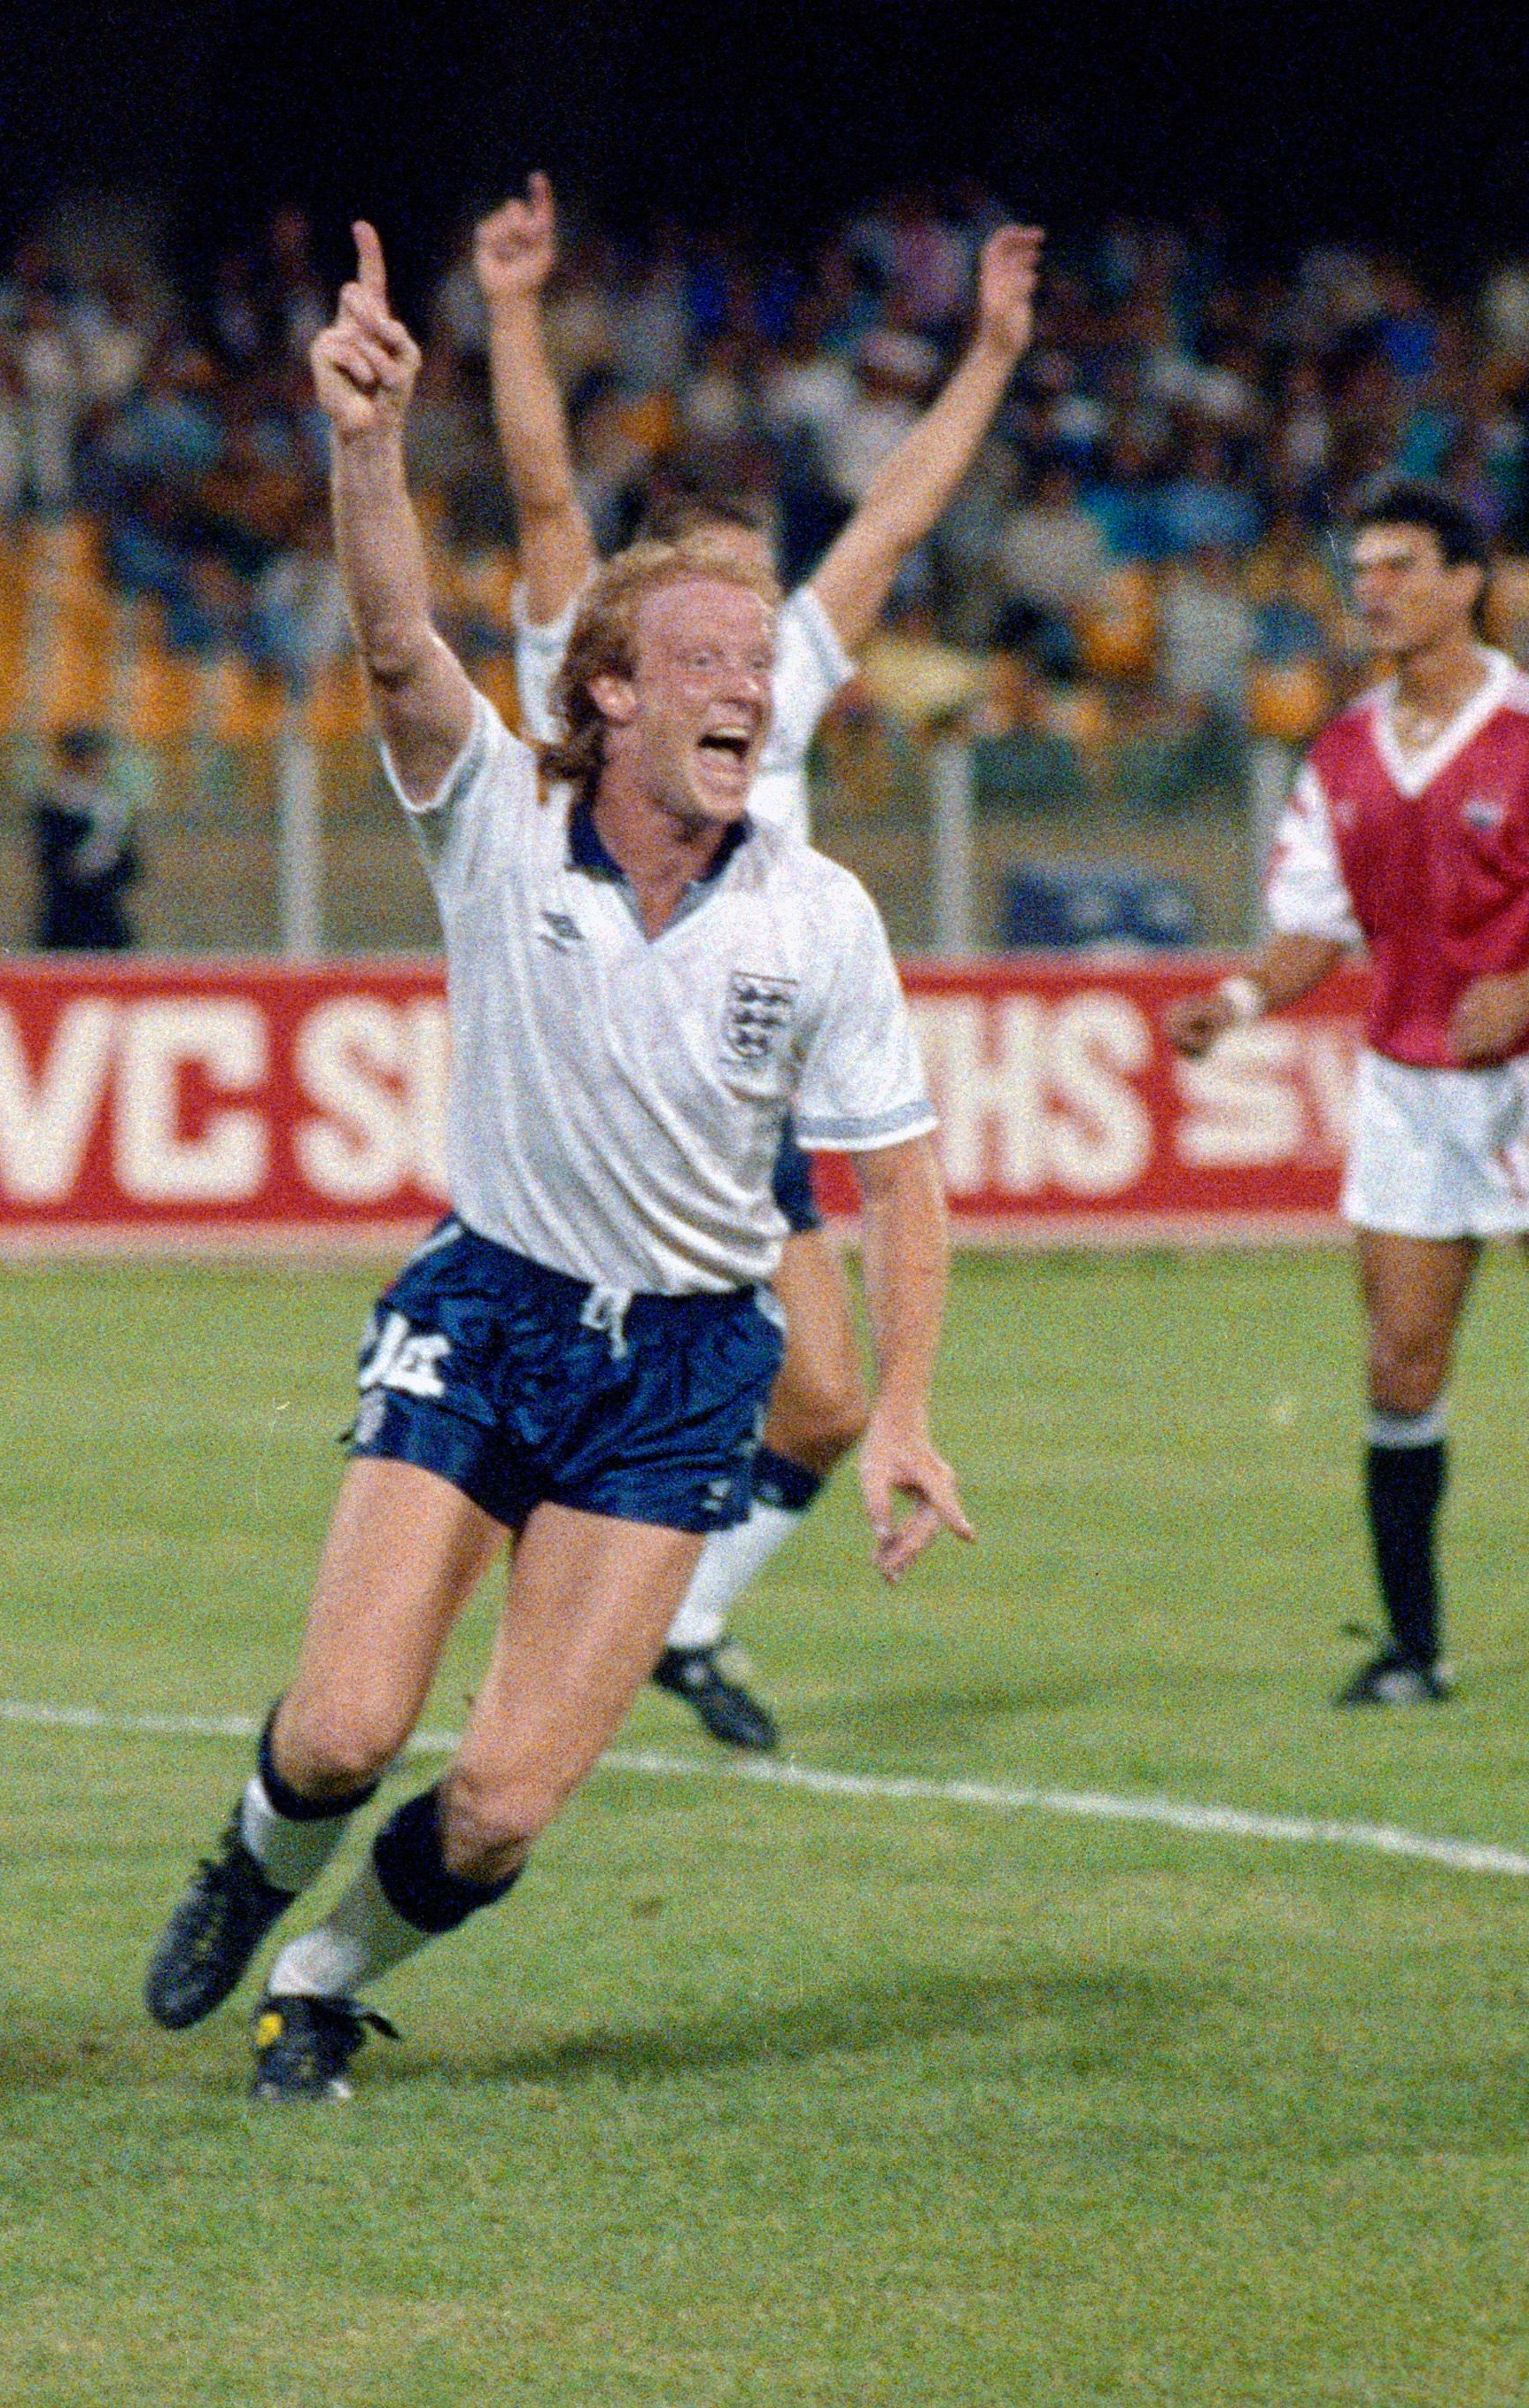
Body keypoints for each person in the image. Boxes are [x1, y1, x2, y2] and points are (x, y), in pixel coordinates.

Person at [141, 225, 972, 2102]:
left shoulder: (818, 914)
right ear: (604, 695)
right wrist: (363, 443)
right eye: (700, 657)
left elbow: (901, 1182)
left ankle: (330, 1983)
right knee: (348, 1728)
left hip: (682, 1365)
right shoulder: (497, 815)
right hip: (492, 1306)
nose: (743, 684)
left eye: (757, 659)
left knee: (503, 1803)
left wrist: (901, 1408)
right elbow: (389, 638)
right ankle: (250, 1866)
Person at [469, 174, 1034, 1750]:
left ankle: (688, 1618)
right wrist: (513, 310)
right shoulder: (593, 675)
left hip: (738, 1087)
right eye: (706, 620)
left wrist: (989, 353)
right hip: (595, 1079)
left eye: (755, 619)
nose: (744, 648)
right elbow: (537, 498)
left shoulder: (776, 692)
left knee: (828, 1399)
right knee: (545, 1399)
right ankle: (519, 1639)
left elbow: (899, 514)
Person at [1160, 484, 1529, 1716]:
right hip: (1409, 1087)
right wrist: (1240, 1001)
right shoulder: (1345, 748)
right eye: (1360, 568)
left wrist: (1527, 992)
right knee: (1399, 1367)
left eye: (1399, 565)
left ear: (1467, 580)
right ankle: (1411, 1652)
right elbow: (1310, 929)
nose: (1371, 588)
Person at [28, 728, 139, 950]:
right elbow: (50, 859)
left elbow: (131, 863)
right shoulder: (53, 803)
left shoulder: (113, 804)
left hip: (105, 908)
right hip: (66, 912)